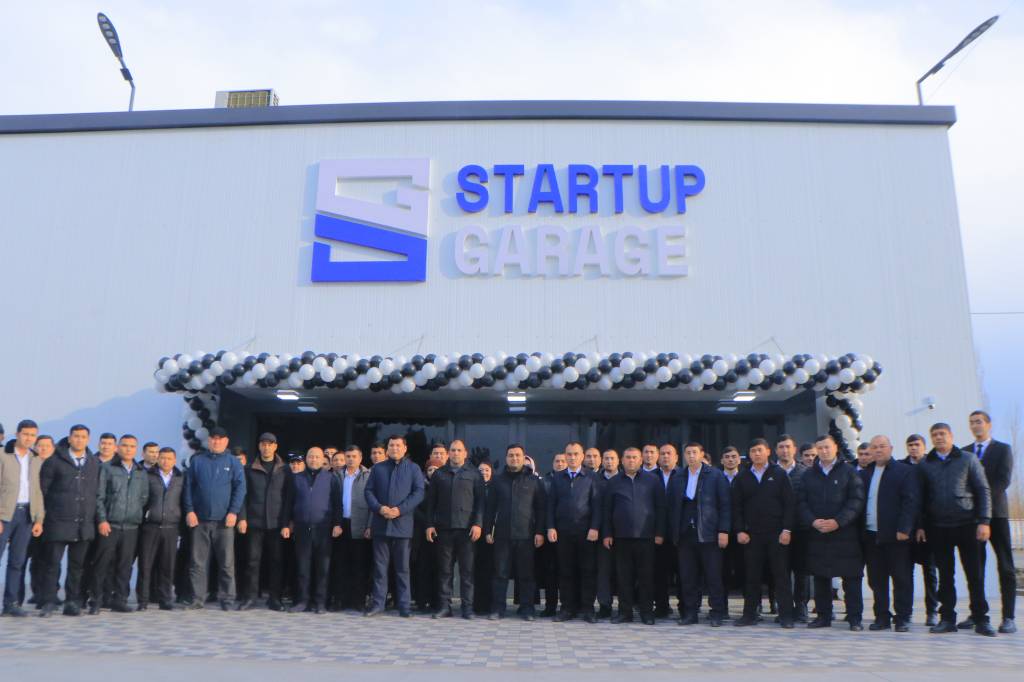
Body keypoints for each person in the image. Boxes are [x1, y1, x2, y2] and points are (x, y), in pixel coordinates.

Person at [916, 422, 995, 636]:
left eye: (942, 433)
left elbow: (983, 490)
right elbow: (920, 498)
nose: (938, 437)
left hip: (968, 524)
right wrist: (921, 525)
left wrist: (984, 521)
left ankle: (981, 618)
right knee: (945, 576)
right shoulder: (925, 464)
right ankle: (947, 619)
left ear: (951, 435)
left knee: (975, 574)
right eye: (934, 434)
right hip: (938, 527)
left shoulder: (968, 459)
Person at [799, 434, 865, 630]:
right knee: (821, 577)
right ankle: (823, 616)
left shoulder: (849, 471)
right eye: (820, 448)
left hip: (845, 534)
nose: (824, 451)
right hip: (818, 533)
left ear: (835, 447)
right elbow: (801, 502)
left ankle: (854, 618)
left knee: (851, 578)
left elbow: (856, 501)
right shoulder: (809, 475)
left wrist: (838, 522)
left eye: (827, 447)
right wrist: (812, 521)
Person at [38, 424, 101, 617]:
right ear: (69, 438)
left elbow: (96, 493)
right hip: (58, 521)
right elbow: (43, 491)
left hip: (83, 524)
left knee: (77, 567)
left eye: (83, 437)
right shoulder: (54, 461)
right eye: (76, 436)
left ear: (88, 439)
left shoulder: (93, 462)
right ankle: (49, 601)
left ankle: (72, 602)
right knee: (52, 564)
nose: (79, 440)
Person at [731, 438, 795, 628]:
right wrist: (739, 530)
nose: (757, 454)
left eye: (760, 450)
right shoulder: (743, 476)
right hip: (752, 535)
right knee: (752, 576)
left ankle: (786, 616)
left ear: (768, 451)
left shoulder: (779, 474)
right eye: (753, 451)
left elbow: (789, 504)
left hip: (777, 534)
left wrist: (787, 529)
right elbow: (736, 507)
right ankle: (749, 615)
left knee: (781, 576)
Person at [182, 427, 246, 611]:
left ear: (226, 441)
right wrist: (189, 510)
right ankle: (197, 598)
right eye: (213, 438)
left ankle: (227, 599)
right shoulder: (198, 461)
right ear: (209, 440)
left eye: (220, 439)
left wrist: (233, 512)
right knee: (197, 562)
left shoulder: (233, 462)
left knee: (226, 563)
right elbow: (188, 487)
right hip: (200, 520)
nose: (216, 442)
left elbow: (240, 489)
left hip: (224, 521)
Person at [964, 410, 1016, 634]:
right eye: (972, 422)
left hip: (997, 515)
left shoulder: (1003, 449)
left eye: (979, 422)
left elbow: (1003, 480)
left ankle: (1008, 617)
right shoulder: (965, 453)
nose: (975, 425)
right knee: (975, 567)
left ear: (988, 424)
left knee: (1005, 566)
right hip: (972, 518)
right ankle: (977, 613)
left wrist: (982, 503)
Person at [859, 435, 919, 632]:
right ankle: (882, 616)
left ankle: (903, 617)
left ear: (891, 448)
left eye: (882, 446)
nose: (878, 450)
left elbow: (910, 502)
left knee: (901, 578)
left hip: (896, 535)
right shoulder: (865, 473)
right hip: (871, 534)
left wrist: (904, 528)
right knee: (876, 579)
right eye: (874, 447)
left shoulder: (904, 471)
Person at [668, 442, 730, 627]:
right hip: (685, 534)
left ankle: (717, 612)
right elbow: (671, 506)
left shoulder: (715, 475)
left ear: (702, 454)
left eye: (694, 452)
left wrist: (724, 530)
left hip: (708, 533)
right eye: (688, 453)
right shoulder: (678, 476)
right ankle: (690, 613)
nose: (691, 456)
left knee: (713, 576)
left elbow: (725, 505)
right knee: (688, 577)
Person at [364, 435, 425, 617]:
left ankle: (404, 606)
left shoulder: (413, 468)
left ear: (405, 448)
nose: (395, 448)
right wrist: (379, 508)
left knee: (402, 569)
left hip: (402, 525)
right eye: (391, 445)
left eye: (398, 445)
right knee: (380, 568)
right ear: (387, 449)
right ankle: (378, 604)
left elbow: (418, 493)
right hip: (381, 524)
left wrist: (399, 510)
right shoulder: (378, 468)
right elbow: (368, 491)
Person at [602, 446, 663, 625]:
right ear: (622, 460)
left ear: (641, 460)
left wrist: (660, 533)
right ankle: (625, 612)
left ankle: (646, 612)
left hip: (646, 537)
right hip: (621, 537)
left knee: (646, 577)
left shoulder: (653, 480)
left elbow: (661, 508)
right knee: (624, 577)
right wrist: (607, 533)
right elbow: (607, 509)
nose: (631, 460)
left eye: (635, 457)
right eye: (628, 457)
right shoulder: (614, 482)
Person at [485, 444, 546, 620]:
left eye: (518, 455)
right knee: (500, 574)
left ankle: (527, 608)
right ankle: (498, 609)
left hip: (526, 535)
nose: (514, 458)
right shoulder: (498, 481)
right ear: (506, 458)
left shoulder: (534, 481)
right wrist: (488, 530)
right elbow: (490, 508)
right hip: (502, 535)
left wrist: (540, 532)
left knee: (526, 574)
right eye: (511, 455)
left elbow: (541, 509)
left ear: (524, 458)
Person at [426, 438, 484, 619]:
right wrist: (429, 524)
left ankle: (467, 608)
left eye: (459, 450)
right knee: (445, 571)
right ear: (448, 453)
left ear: (465, 453)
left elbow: (481, 503)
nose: (456, 453)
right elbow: (431, 503)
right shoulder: (439, 474)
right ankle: (445, 607)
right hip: (444, 530)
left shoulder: (474, 474)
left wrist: (478, 524)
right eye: (453, 450)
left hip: (467, 530)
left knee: (467, 572)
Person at [91, 434, 149, 613]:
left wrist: (135, 514)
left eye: (132, 446)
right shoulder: (107, 468)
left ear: (136, 449)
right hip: (110, 525)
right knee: (102, 564)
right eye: (124, 445)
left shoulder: (140, 471)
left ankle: (120, 600)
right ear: (117, 447)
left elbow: (143, 498)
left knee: (125, 566)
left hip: (131, 527)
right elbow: (99, 497)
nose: (128, 449)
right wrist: (102, 520)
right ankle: (96, 601)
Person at [546, 441, 601, 622]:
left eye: (576, 454)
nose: (572, 457)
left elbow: (597, 505)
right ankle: (567, 609)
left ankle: (587, 609)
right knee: (565, 571)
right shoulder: (557, 478)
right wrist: (550, 526)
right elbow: (551, 505)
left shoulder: (592, 477)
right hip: (563, 533)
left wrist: (594, 527)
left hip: (586, 533)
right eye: (569, 454)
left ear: (582, 456)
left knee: (588, 571)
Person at [283, 447, 342, 614]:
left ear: (323, 460)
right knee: (303, 568)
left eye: (317, 457)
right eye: (310, 457)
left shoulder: (331, 478)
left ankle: (320, 603)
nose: (313, 460)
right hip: (302, 529)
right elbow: (288, 503)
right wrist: (286, 524)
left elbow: (337, 504)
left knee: (322, 568)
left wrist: (337, 524)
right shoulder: (296, 478)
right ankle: (302, 601)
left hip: (324, 529)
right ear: (306, 459)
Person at [237, 433, 289, 611]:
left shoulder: (284, 469)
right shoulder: (249, 469)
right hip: (254, 522)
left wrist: (286, 523)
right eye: (263, 444)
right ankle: (250, 598)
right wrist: (242, 518)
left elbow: (288, 498)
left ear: (275, 447)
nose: (266, 447)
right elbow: (243, 496)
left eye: (270, 444)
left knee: (276, 561)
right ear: (259, 446)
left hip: (276, 524)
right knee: (252, 561)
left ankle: (275, 599)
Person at [0, 420, 44, 617]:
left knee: (17, 561)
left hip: (26, 515)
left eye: (33, 435)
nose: (29, 438)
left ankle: (11, 604)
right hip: (4, 514)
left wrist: (39, 519)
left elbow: (37, 491)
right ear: (17, 434)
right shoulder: (3, 455)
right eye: (25, 434)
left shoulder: (35, 459)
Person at [137, 447, 183, 611]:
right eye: (162, 458)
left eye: (169, 458)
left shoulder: (180, 478)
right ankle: (143, 600)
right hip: (151, 526)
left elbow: (183, 502)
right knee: (145, 565)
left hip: (171, 527)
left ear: (174, 460)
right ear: (158, 459)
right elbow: (141, 500)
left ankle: (165, 599)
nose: (165, 461)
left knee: (167, 566)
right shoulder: (148, 476)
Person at [904, 433, 939, 625]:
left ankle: (932, 611)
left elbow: (931, 499)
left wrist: (922, 525)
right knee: (905, 572)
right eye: (910, 445)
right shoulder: (901, 467)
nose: (913, 448)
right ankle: (906, 611)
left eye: (917, 444)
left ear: (924, 447)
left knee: (930, 571)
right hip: (906, 528)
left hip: (928, 529)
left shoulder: (931, 466)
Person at [776, 435, 810, 623]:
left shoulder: (805, 473)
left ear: (794, 449)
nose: (785, 450)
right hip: (776, 530)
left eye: (788, 446)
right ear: (776, 450)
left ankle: (801, 606)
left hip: (800, 530)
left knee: (801, 571)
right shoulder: (771, 472)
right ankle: (785, 609)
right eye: (781, 447)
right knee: (781, 572)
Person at [333, 445, 371, 612]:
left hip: (360, 524)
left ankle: (358, 601)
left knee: (359, 565)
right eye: (348, 456)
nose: (350, 459)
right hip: (341, 524)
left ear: (360, 458)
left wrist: (369, 525)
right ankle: (340, 600)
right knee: (340, 564)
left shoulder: (368, 476)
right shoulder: (337, 475)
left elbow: (373, 503)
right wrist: (335, 523)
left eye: (354, 456)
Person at [23, 434, 55, 608]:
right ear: (34, 448)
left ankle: (51, 593)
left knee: (51, 558)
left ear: (53, 449)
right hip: (31, 518)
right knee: (34, 558)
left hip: (53, 519)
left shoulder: (57, 466)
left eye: (47, 446)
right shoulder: (29, 465)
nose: (43, 449)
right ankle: (37, 592)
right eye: (40, 445)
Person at [652, 443, 681, 619]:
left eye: (669, 453)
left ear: (676, 457)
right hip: (657, 534)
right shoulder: (651, 477)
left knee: (683, 573)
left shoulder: (684, 475)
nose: (665, 456)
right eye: (662, 454)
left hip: (680, 533)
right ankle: (661, 606)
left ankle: (685, 607)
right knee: (659, 572)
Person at [537, 452, 566, 616]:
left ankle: (568, 605)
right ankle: (550, 606)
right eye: (557, 461)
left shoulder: (572, 481)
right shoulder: (545, 482)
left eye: (563, 461)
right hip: (549, 534)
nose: (560, 464)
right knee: (550, 572)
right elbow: (543, 508)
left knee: (567, 571)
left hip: (568, 533)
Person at [593, 448, 619, 619]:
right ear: (602, 461)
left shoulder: (625, 478)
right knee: (603, 571)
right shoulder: (594, 479)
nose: (609, 461)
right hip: (602, 533)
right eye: (606, 458)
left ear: (618, 461)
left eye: (612, 458)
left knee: (624, 571)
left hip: (623, 533)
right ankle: (604, 605)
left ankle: (625, 605)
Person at [719, 446, 744, 601]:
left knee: (745, 568)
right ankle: (721, 605)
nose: (730, 459)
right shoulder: (715, 478)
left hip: (742, 531)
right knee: (722, 569)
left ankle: (752, 604)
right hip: (721, 532)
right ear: (722, 460)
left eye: (734, 456)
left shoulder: (745, 477)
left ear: (739, 460)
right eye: (727, 457)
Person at [474, 461, 495, 615]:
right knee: (476, 570)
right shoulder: (473, 486)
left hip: (491, 535)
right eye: (480, 470)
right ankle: (477, 604)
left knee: (490, 571)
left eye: (487, 470)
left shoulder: (495, 488)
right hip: (474, 534)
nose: (483, 473)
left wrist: (489, 530)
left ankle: (489, 604)